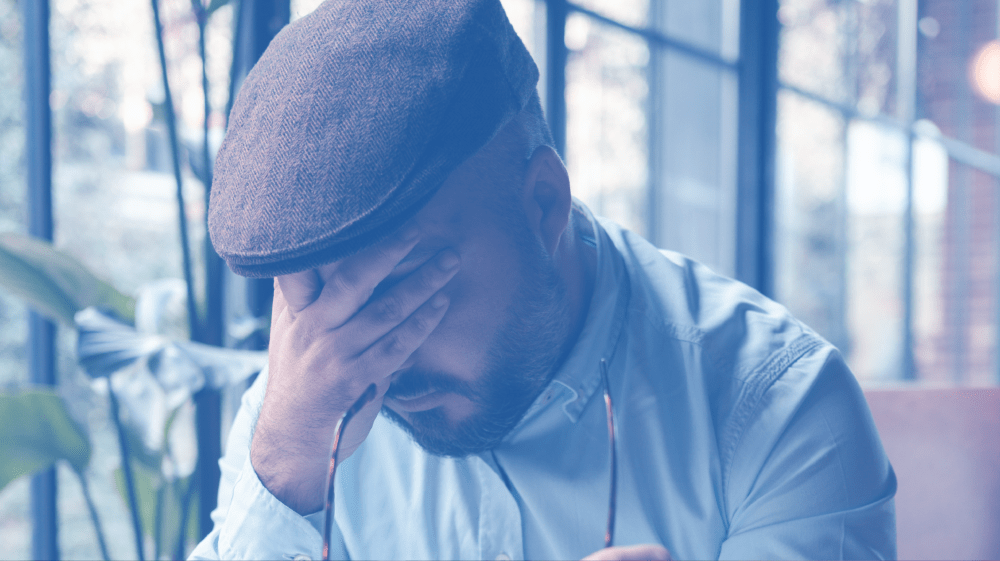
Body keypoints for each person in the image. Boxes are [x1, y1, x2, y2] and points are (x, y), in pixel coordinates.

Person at [191, 0, 897, 559]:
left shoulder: (779, 409)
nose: (381, 354)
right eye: (335, 304)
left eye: (409, 288)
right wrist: (283, 472)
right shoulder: (300, 406)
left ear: (543, 203)